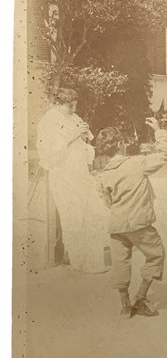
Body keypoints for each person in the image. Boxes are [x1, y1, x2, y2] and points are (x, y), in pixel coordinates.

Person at [95, 118, 167, 319]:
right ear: (121, 143)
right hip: (138, 224)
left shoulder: (104, 174)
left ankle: (124, 306)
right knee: (156, 255)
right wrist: (159, 131)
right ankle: (141, 298)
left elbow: (107, 201)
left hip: (117, 225)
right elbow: (164, 155)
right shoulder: (137, 163)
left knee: (120, 263)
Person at [37, 87, 110, 273]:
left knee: (90, 214)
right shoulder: (49, 121)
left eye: (75, 105)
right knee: (73, 218)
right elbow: (48, 154)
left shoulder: (73, 118)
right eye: (70, 106)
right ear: (60, 103)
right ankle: (81, 262)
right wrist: (73, 136)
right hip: (63, 176)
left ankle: (90, 260)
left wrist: (85, 137)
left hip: (80, 174)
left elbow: (85, 146)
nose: (74, 110)